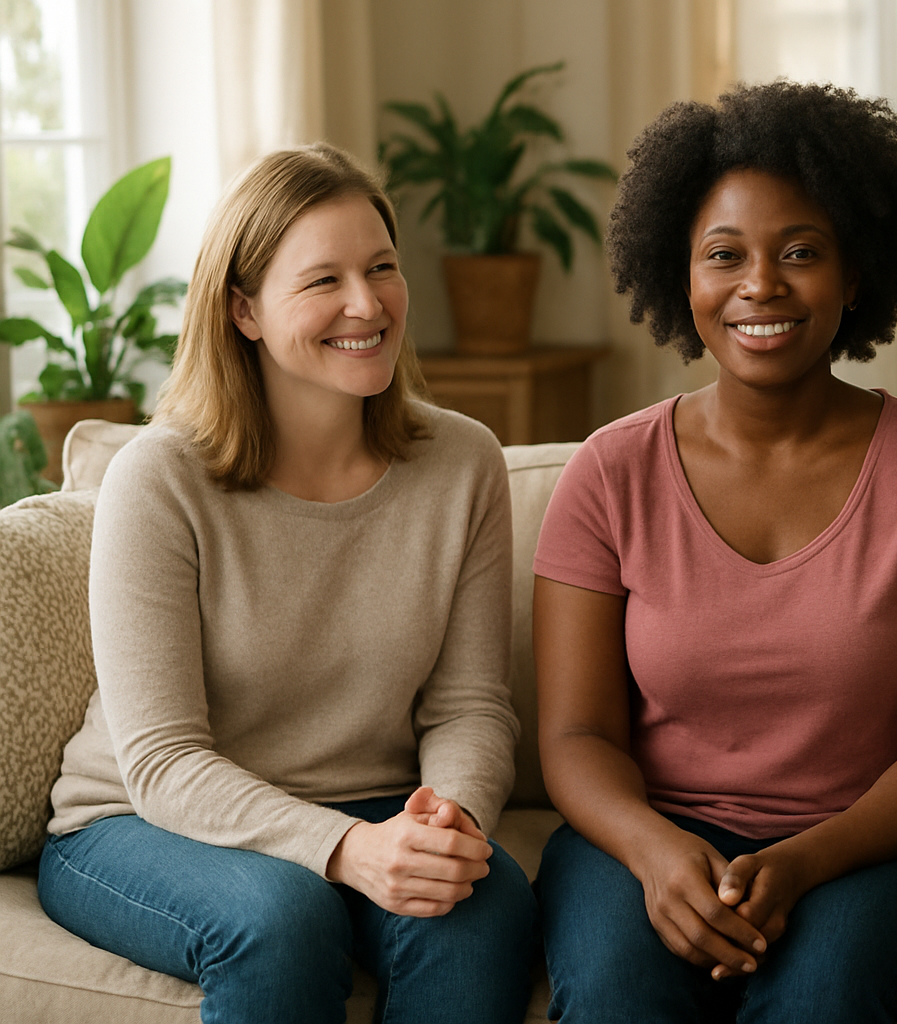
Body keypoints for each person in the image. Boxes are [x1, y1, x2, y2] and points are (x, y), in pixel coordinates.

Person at [532, 81, 897, 1023]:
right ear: (681, 274)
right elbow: (575, 736)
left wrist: (805, 860)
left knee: (820, 1003)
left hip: (872, 845)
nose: (760, 285)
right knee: (615, 1000)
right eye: (725, 256)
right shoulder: (608, 472)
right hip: (646, 836)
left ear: (855, 273)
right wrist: (654, 849)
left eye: (801, 252)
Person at [37, 143, 538, 1023]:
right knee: (281, 916)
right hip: (139, 822)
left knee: (483, 905)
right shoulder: (160, 478)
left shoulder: (464, 463)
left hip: (380, 802)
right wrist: (347, 850)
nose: (366, 303)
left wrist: (447, 824)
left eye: (382, 267)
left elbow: (469, 706)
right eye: (323, 281)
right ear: (244, 309)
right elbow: (161, 761)